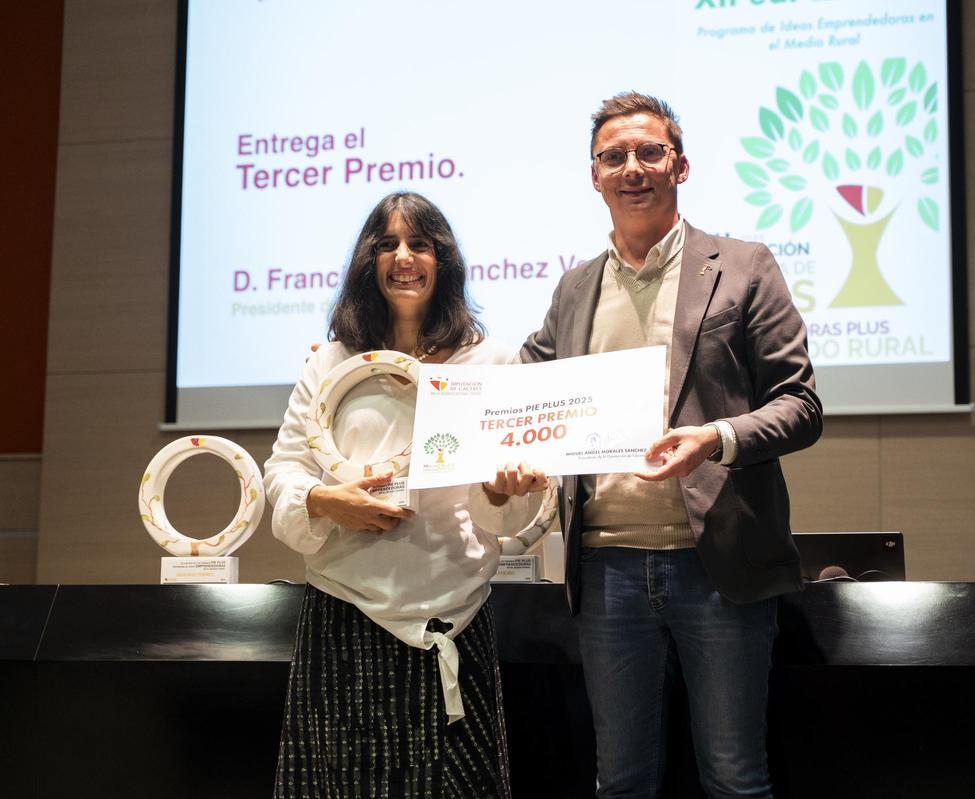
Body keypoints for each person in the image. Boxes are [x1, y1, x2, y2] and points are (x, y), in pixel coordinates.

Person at [486, 92, 823, 797]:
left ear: (681, 164)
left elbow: (801, 406)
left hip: (719, 566)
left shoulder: (743, 265)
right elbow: (515, 391)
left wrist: (716, 437)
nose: (631, 167)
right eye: (614, 156)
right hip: (606, 570)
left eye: (648, 151)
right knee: (622, 782)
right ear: (594, 176)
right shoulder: (575, 288)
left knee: (735, 778)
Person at [264, 191, 542, 799]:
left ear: (443, 260)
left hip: (455, 613)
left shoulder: (490, 362)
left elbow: (521, 503)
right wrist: (324, 501)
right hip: (347, 610)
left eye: (419, 244)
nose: (404, 257)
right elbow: (285, 467)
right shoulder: (332, 362)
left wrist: (506, 494)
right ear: (369, 261)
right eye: (387, 244)